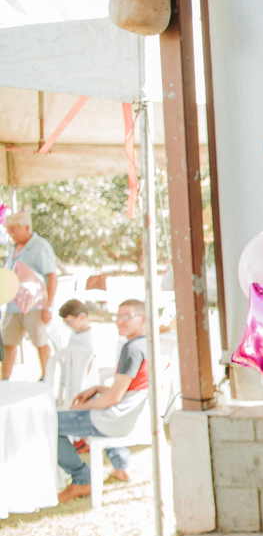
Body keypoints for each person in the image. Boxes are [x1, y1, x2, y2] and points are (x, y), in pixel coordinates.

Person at [55, 300, 151, 503]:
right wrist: (98, 388)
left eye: (127, 316)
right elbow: (129, 390)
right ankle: (121, 468)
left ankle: (81, 479)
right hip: (130, 416)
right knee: (97, 399)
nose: (120, 321)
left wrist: (82, 407)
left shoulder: (132, 349)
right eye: (117, 316)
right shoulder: (147, 344)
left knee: (51, 423)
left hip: (113, 420)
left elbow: (114, 398)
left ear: (142, 319)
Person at [1, 211, 58, 380]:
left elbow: (52, 277)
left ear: (26, 227)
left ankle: (46, 376)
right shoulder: (12, 247)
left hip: (35, 305)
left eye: (13, 229)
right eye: (8, 229)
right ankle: (4, 379)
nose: (11, 233)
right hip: (14, 304)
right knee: (8, 342)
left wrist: (48, 306)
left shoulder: (40, 246)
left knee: (40, 342)